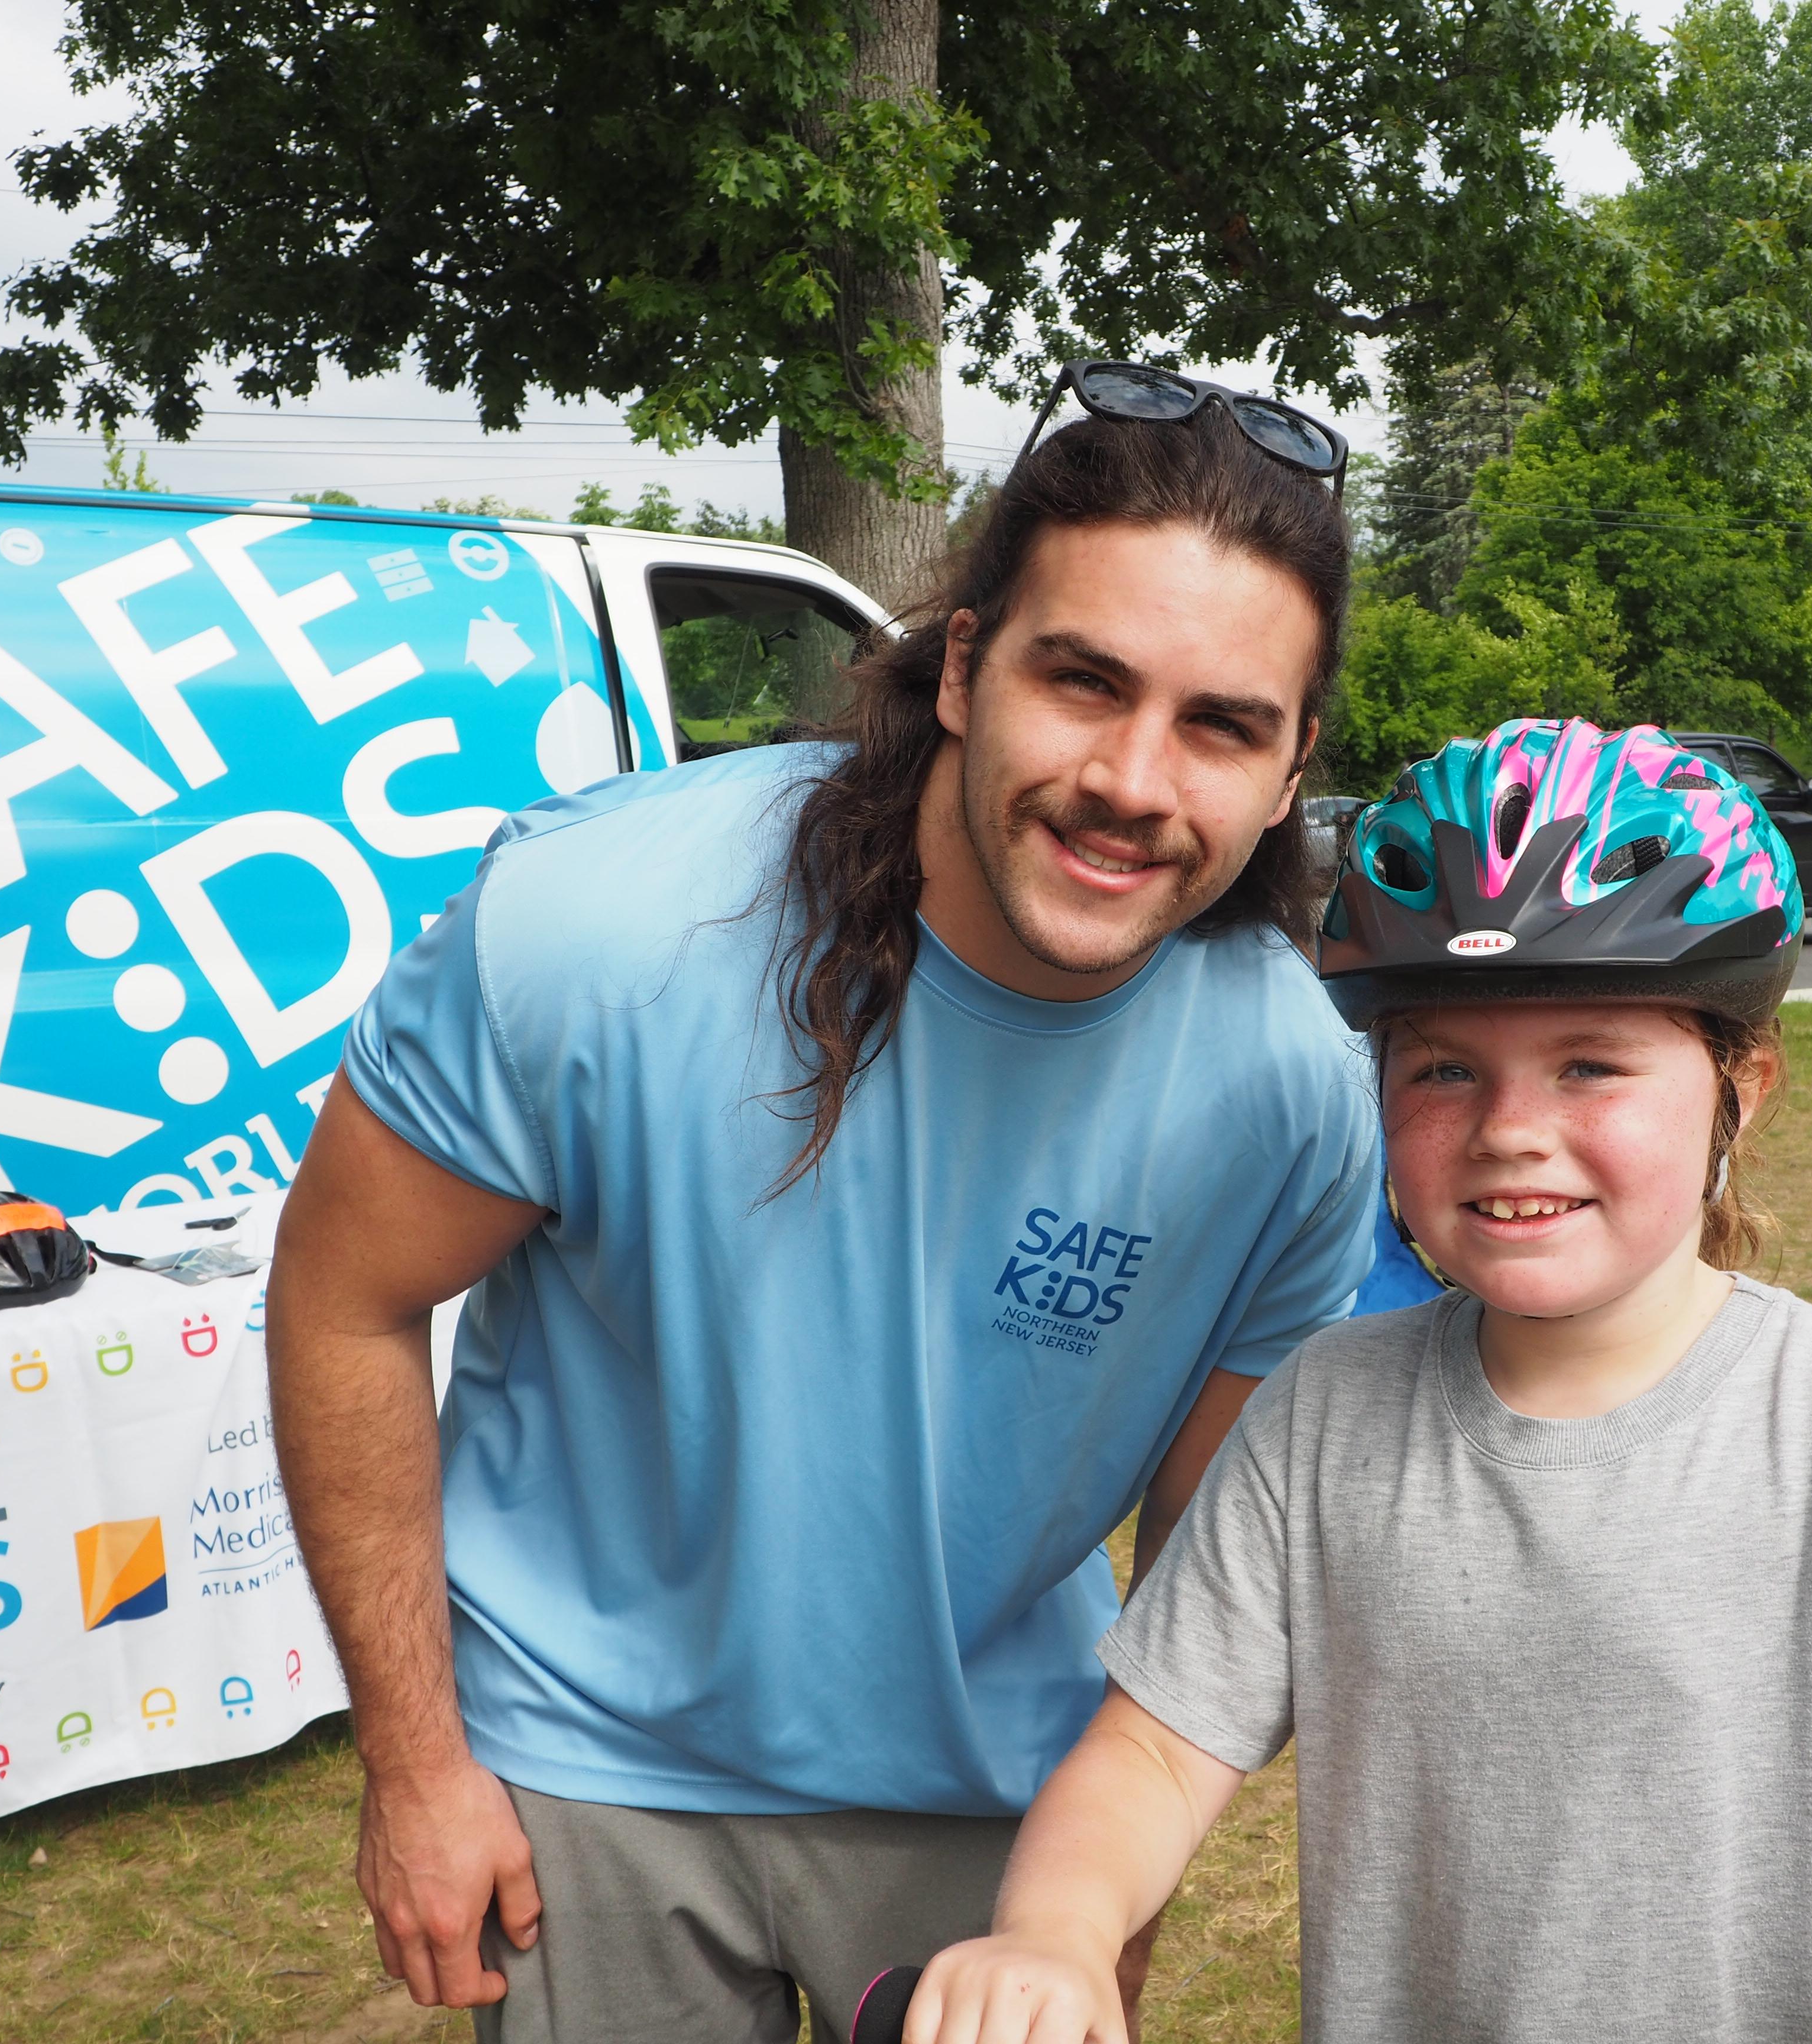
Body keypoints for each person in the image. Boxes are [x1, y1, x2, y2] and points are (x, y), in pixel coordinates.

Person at [267, 373, 1387, 2042]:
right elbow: (341, 1297)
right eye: (1083, 682)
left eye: (1222, 724)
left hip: (993, 1792)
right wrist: (420, 1768)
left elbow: (1207, 1551)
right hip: (587, 1766)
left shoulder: (1293, 1085)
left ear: (1293, 767)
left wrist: (1106, 1889)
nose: (1134, 781)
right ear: (961, 667)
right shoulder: (598, 926)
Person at [899, 719, 1812, 2044]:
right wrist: (1053, 1935)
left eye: (1591, 1065)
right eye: (1444, 1068)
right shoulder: (1320, 1422)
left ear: (1746, 1084)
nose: (1510, 1131)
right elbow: (1154, 1754)